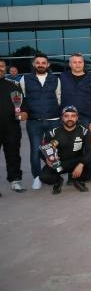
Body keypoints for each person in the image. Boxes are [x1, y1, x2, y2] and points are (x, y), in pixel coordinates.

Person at [20, 53, 61, 190]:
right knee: (35, 150)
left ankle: (55, 175)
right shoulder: (25, 79)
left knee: (54, 150)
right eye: (38, 62)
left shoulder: (55, 79)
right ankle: (37, 177)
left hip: (53, 119)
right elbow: (22, 99)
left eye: (43, 63)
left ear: (48, 65)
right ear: (33, 64)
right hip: (34, 121)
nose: (41, 65)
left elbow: (59, 97)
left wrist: (57, 113)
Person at [40, 106, 91, 194]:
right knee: (44, 176)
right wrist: (46, 159)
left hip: (77, 162)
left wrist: (81, 164)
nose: (70, 118)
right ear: (62, 118)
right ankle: (58, 181)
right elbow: (42, 150)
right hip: (59, 164)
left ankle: (77, 179)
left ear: (77, 117)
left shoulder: (84, 131)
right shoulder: (52, 132)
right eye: (66, 116)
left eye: (73, 116)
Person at [0, 59, 28, 193]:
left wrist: (23, 114)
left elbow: (23, 107)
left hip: (11, 128)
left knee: (13, 156)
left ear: (5, 68)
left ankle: (15, 180)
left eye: (2, 66)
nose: (0, 68)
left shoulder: (13, 86)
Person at [59, 53, 91, 130]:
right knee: (65, 138)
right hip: (66, 118)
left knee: (85, 138)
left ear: (83, 63)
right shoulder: (63, 77)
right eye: (74, 62)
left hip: (85, 119)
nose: (77, 65)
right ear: (70, 64)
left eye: (80, 62)